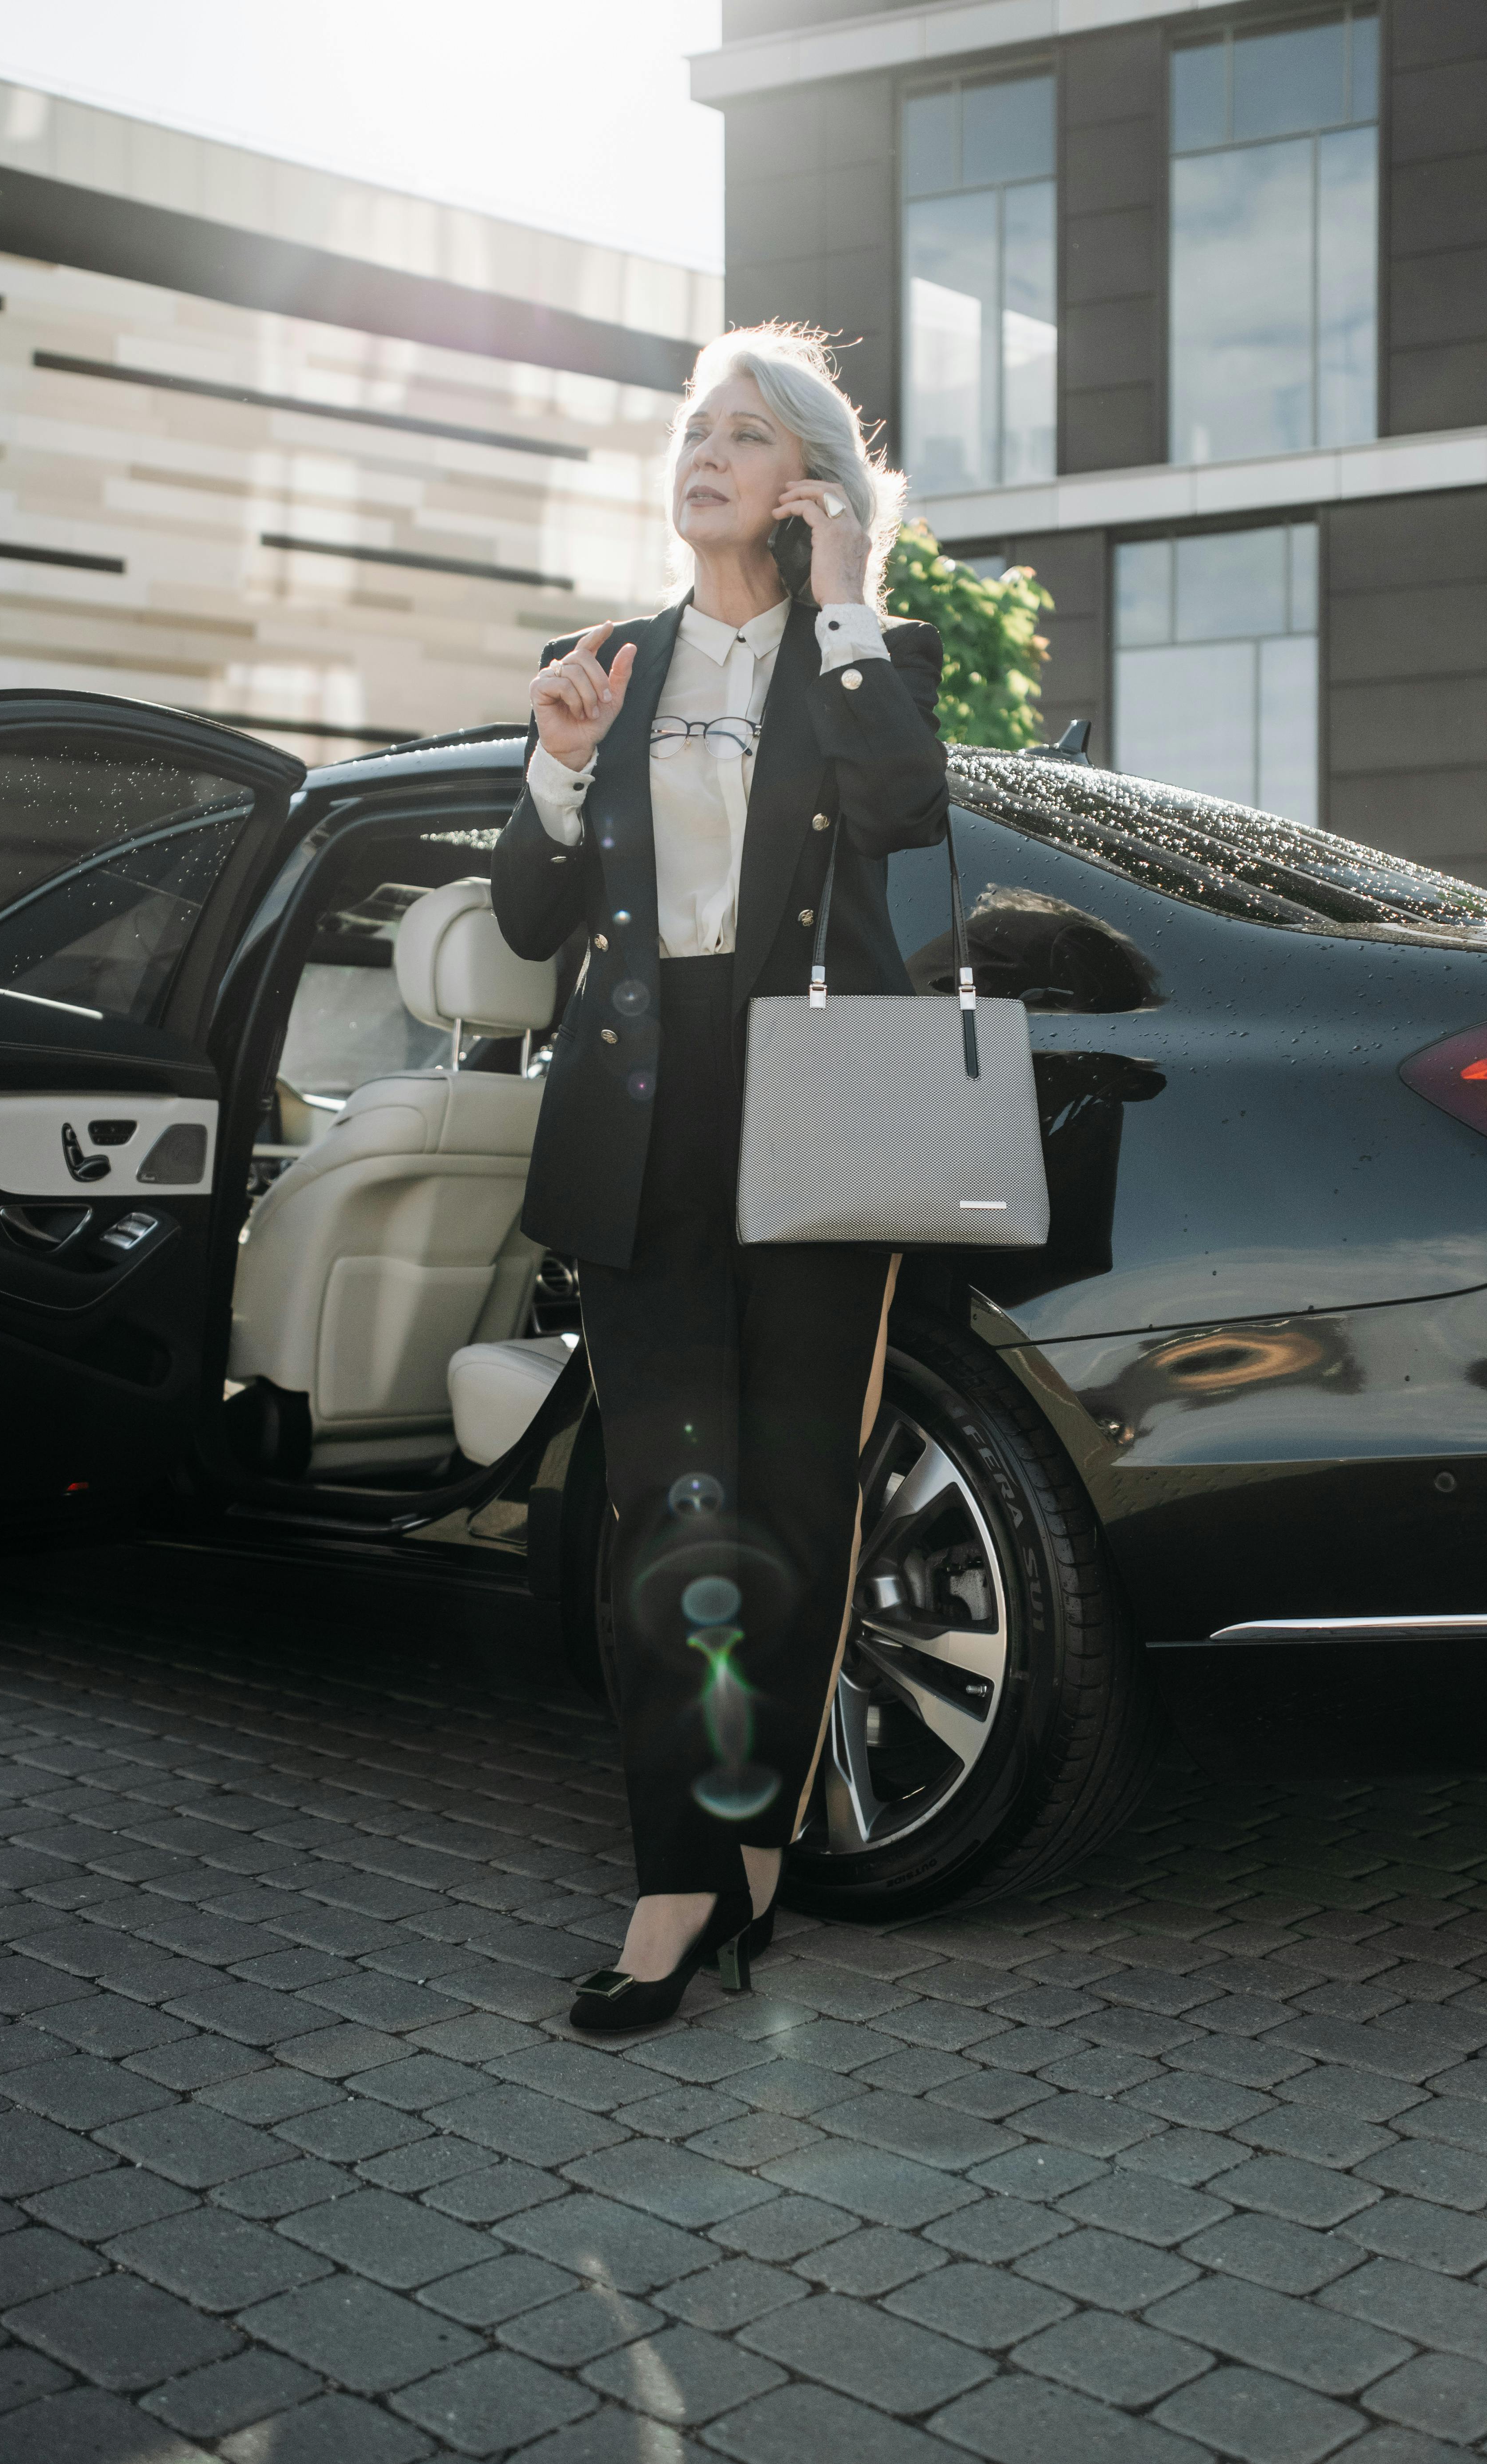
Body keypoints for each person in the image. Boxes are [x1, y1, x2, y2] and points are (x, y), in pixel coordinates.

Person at [492, 323, 950, 2030]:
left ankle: (754, 1841)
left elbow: (908, 805)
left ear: (804, 487)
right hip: (645, 1114)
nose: (709, 452)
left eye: (749, 435)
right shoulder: (601, 666)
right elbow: (532, 919)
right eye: (697, 427)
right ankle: (677, 1879)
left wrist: (844, 602)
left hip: (819, 1106)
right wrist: (550, 759)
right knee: (663, 1506)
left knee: (801, 1502)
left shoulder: (850, 665)